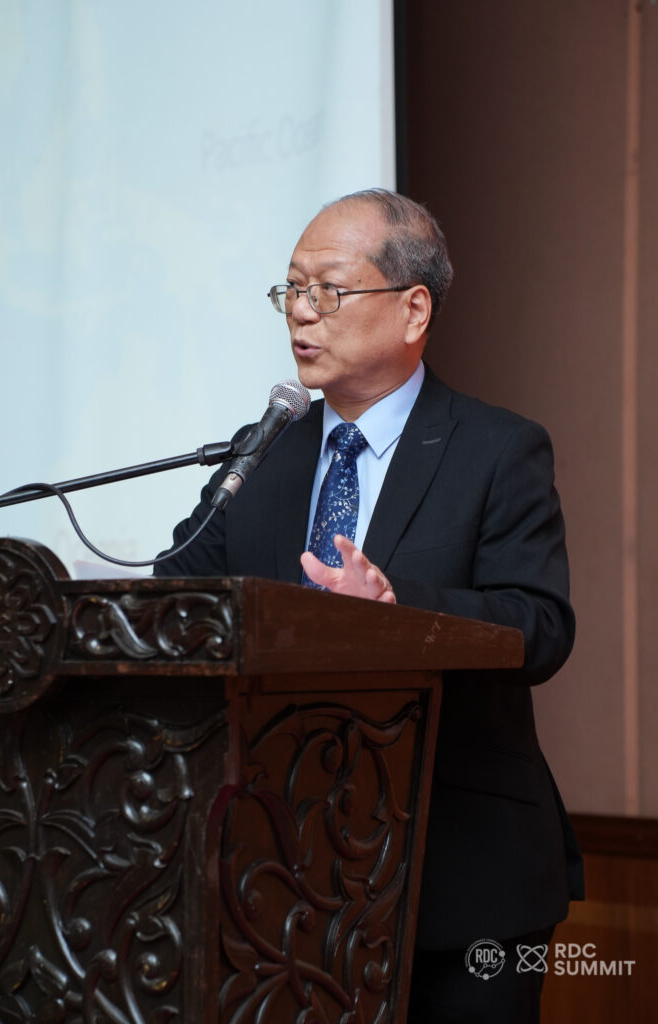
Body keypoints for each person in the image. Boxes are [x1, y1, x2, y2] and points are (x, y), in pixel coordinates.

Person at [155, 188, 583, 1022]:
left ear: (413, 308)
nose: (300, 312)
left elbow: (540, 627)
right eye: (291, 290)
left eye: (328, 290)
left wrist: (394, 605)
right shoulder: (263, 452)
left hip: (466, 873)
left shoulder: (496, 448)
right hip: (284, 878)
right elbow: (177, 594)